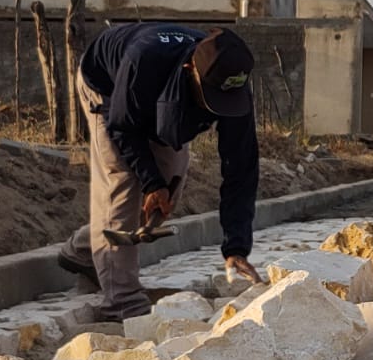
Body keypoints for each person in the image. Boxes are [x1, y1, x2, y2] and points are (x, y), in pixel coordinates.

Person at [58, 23, 260, 321]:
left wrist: (237, 247)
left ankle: (83, 250)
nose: (218, 107)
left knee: (165, 196)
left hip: (163, 102)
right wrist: (151, 181)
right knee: (124, 184)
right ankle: (123, 302)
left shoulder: (231, 83)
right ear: (192, 69)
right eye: (211, 97)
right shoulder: (145, 58)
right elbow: (122, 128)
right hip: (108, 92)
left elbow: (241, 168)